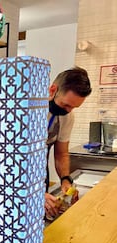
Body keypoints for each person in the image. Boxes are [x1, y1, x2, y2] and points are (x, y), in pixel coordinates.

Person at [44, 67, 91, 220]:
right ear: (53, 90)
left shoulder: (67, 117)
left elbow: (61, 152)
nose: (69, 111)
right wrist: (31, 192)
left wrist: (65, 179)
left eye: (74, 107)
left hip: (39, 174)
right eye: (66, 105)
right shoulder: (27, 109)